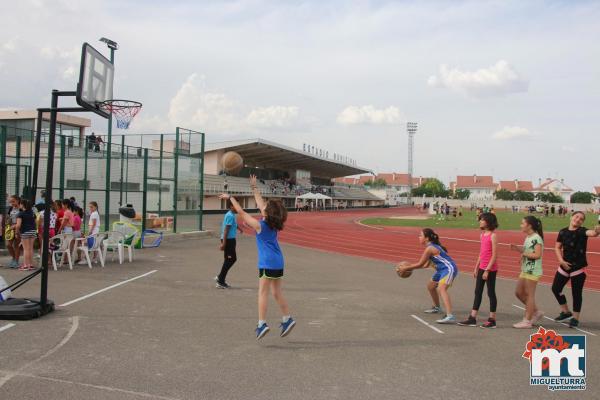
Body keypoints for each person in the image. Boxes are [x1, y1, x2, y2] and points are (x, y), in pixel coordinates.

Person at [218, 175, 295, 340]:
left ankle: (262, 324)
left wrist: (230, 197)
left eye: (265, 206)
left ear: (267, 212)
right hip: (278, 261)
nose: (263, 205)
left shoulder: (260, 225)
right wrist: (254, 187)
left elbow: (240, 212)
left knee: (262, 293)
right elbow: (260, 203)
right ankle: (287, 318)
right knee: (276, 292)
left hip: (267, 262)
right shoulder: (272, 223)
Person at [396, 228, 459, 324]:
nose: (419, 237)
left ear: (427, 238)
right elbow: (425, 265)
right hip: (441, 270)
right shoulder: (431, 247)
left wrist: (406, 268)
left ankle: (450, 316)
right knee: (431, 286)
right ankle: (437, 307)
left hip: (449, 269)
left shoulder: (430, 248)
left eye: (421, 235)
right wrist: (410, 268)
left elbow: (420, 264)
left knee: (441, 289)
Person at [551, 211, 600, 328]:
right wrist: (561, 261)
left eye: (581, 219)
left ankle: (575, 318)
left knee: (576, 293)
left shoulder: (582, 231)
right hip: (564, 265)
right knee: (555, 288)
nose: (578, 219)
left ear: (582, 222)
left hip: (578, 268)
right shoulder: (562, 231)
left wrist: (597, 230)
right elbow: (557, 247)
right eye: (576, 216)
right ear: (571, 217)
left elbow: (592, 233)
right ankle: (566, 312)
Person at [459, 213, 499, 328]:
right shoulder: (482, 235)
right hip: (482, 267)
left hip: (490, 269)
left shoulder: (493, 236)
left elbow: (494, 255)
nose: (480, 221)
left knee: (491, 293)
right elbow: (481, 254)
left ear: (488, 222)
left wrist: (487, 270)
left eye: (482, 220)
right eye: (480, 219)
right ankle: (472, 318)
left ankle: (492, 320)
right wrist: (476, 267)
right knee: (478, 292)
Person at [510, 216, 545, 329]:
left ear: (529, 225)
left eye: (522, 223)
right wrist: (518, 250)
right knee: (518, 292)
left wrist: (524, 254)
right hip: (525, 269)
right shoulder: (528, 237)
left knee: (530, 295)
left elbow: (537, 255)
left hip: (533, 270)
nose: (521, 225)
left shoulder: (536, 238)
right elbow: (527, 250)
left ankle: (527, 320)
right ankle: (536, 312)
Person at [214, 199, 243, 289]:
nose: (238, 207)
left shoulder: (232, 214)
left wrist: (239, 228)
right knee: (231, 259)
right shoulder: (230, 215)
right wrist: (224, 244)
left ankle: (221, 278)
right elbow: (226, 230)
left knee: (229, 259)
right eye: (236, 205)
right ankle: (220, 279)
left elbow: (233, 224)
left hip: (230, 239)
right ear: (231, 206)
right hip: (228, 240)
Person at [16, 198, 37, 271]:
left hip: (25, 232)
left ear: (22, 205)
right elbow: (35, 222)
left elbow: (18, 225)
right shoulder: (32, 213)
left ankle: (25, 265)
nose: (19, 205)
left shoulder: (20, 214)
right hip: (33, 231)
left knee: (26, 249)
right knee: (30, 248)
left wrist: (16, 232)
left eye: (20, 204)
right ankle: (30, 265)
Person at [5, 195, 22, 268]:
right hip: (11, 228)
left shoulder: (21, 209)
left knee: (16, 245)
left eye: (13, 201)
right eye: (10, 202)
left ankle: (16, 261)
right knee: (8, 245)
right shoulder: (11, 208)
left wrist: (15, 226)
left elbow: (23, 219)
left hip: (19, 228)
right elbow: (9, 218)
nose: (12, 203)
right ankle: (14, 258)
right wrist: (7, 221)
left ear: (18, 201)